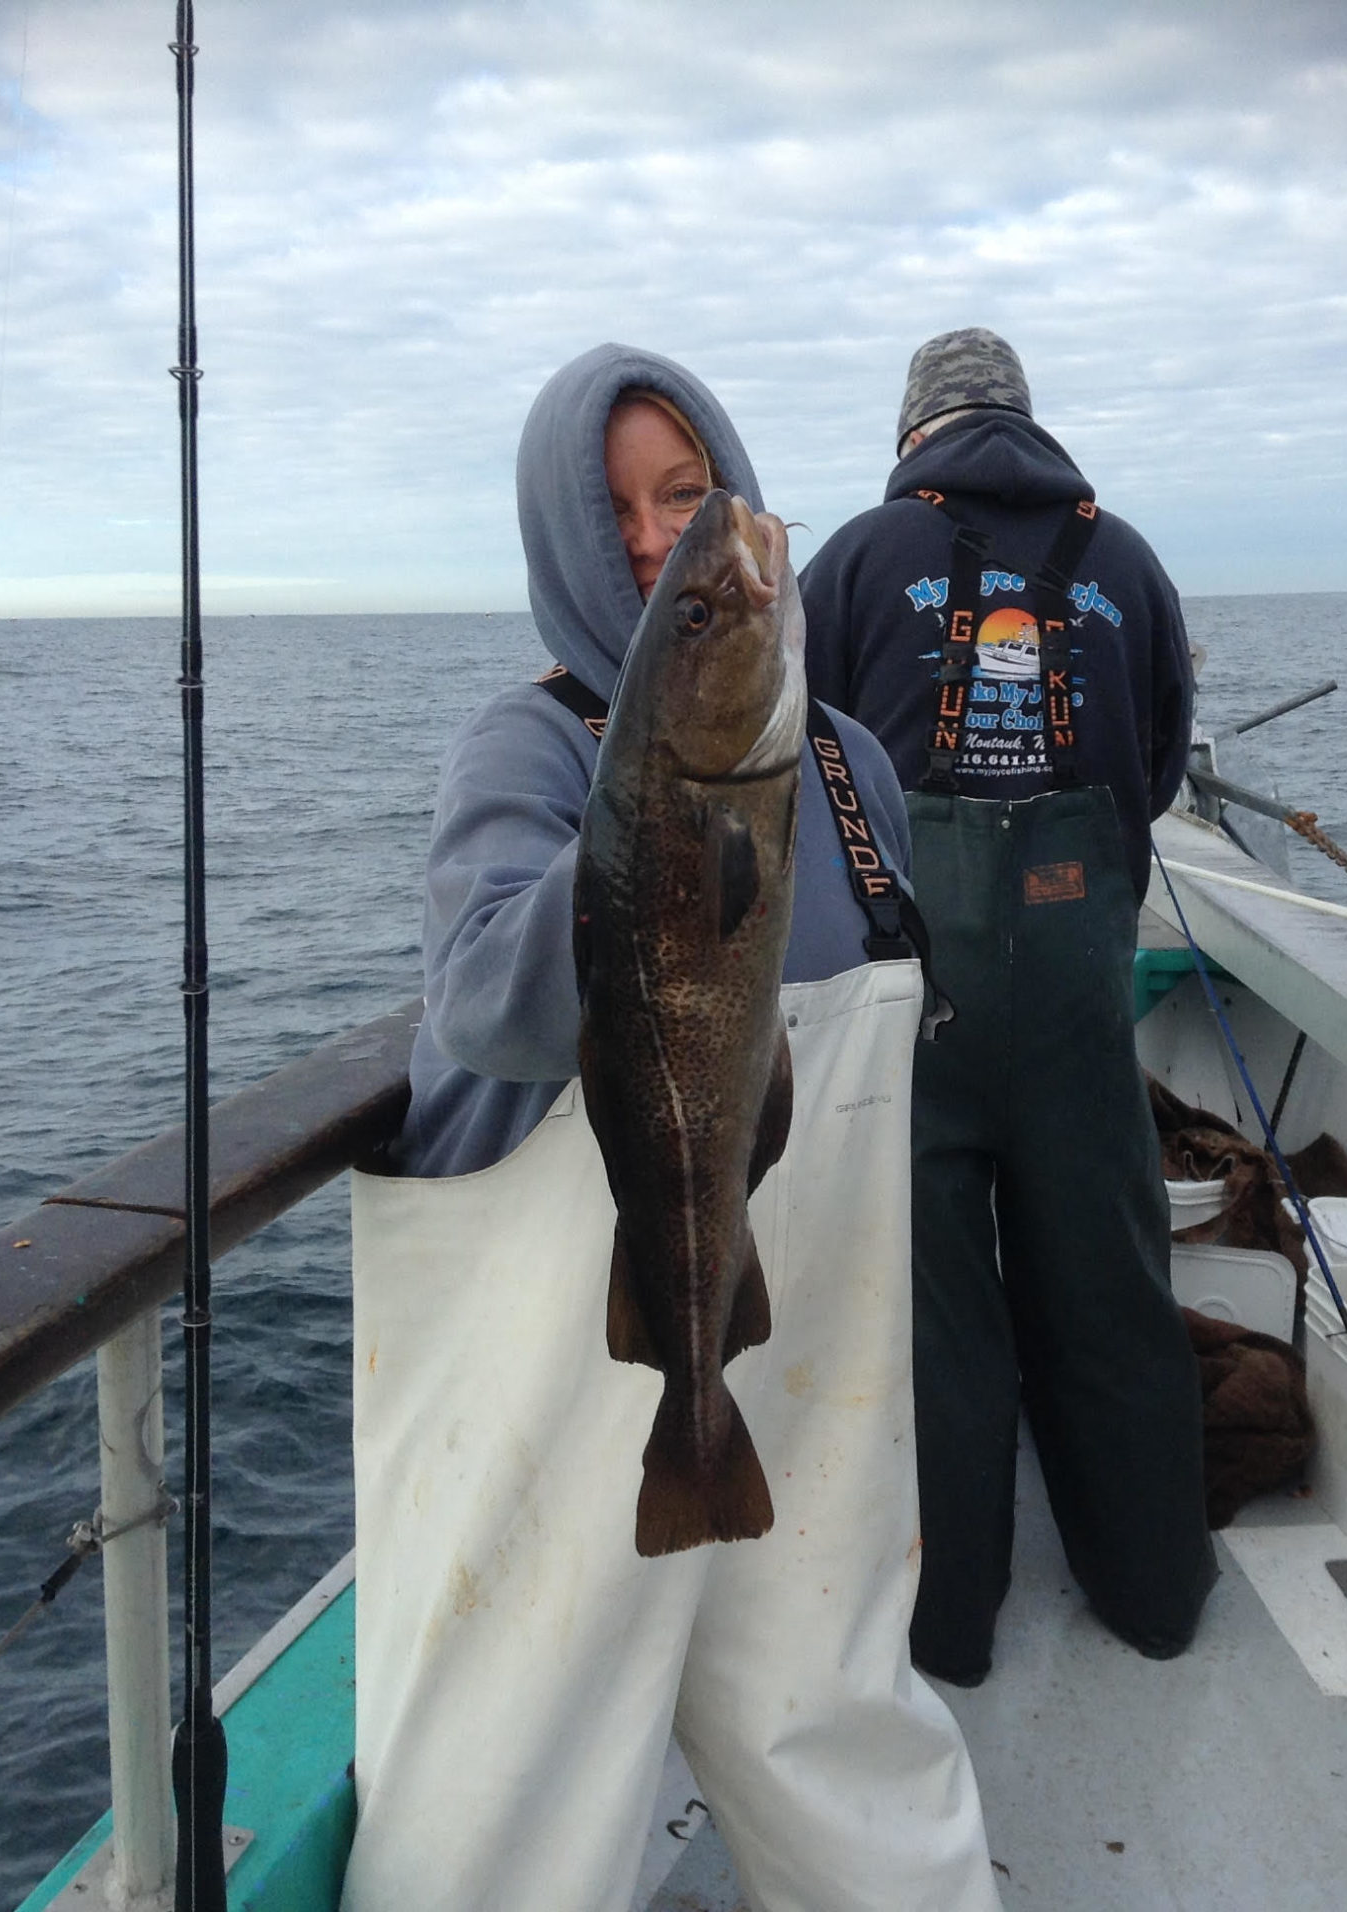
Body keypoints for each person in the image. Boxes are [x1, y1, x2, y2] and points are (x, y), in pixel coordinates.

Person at [342, 343, 1000, 1912]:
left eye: (687, 498)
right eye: (617, 509)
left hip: (811, 1338)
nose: (655, 543)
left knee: (831, 1713)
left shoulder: (844, 773)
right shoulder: (534, 750)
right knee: (520, 1768)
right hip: (558, 1348)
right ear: (559, 535)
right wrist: (647, 834)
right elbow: (484, 1004)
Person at [799, 327, 1216, 1687]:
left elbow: (795, 766)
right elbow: (1152, 774)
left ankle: (949, 1624)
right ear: (1026, 424)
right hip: (1077, 989)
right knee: (1106, 1283)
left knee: (932, 1309)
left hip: (910, 1001)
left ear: (914, 431)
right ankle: (1154, 1591)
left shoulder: (857, 560)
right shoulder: (1131, 563)